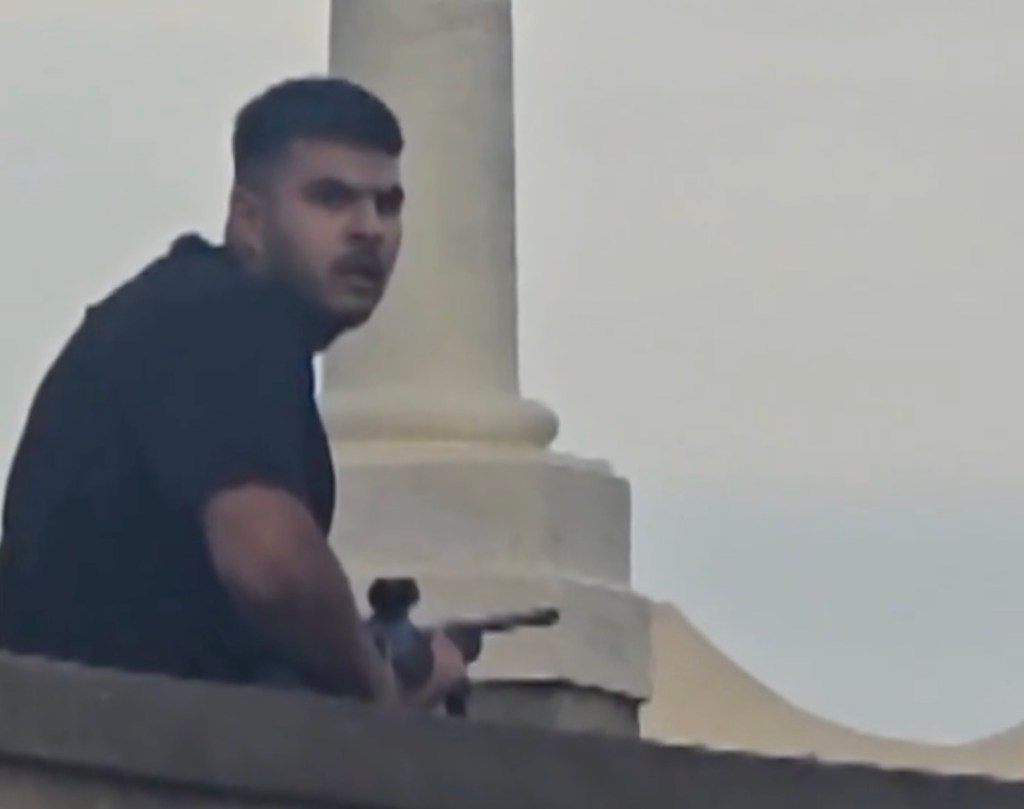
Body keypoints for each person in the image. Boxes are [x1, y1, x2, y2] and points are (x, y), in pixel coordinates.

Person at [0, 76, 466, 709]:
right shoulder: (232, 317)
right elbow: (271, 564)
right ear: (249, 217)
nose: (369, 229)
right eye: (331, 199)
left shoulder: (190, 311)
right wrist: (378, 683)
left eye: (388, 204)